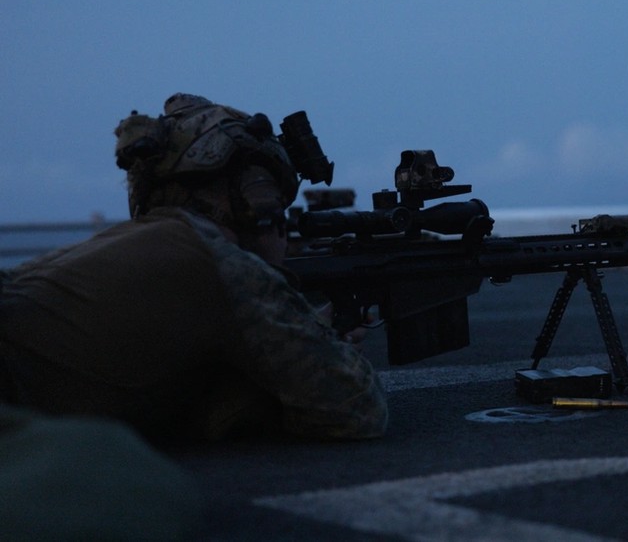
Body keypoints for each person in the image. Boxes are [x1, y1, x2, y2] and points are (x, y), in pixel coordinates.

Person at [0, 93, 388, 442]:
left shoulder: (147, 244)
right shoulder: (216, 261)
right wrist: (311, 330)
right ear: (252, 194)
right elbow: (355, 408)